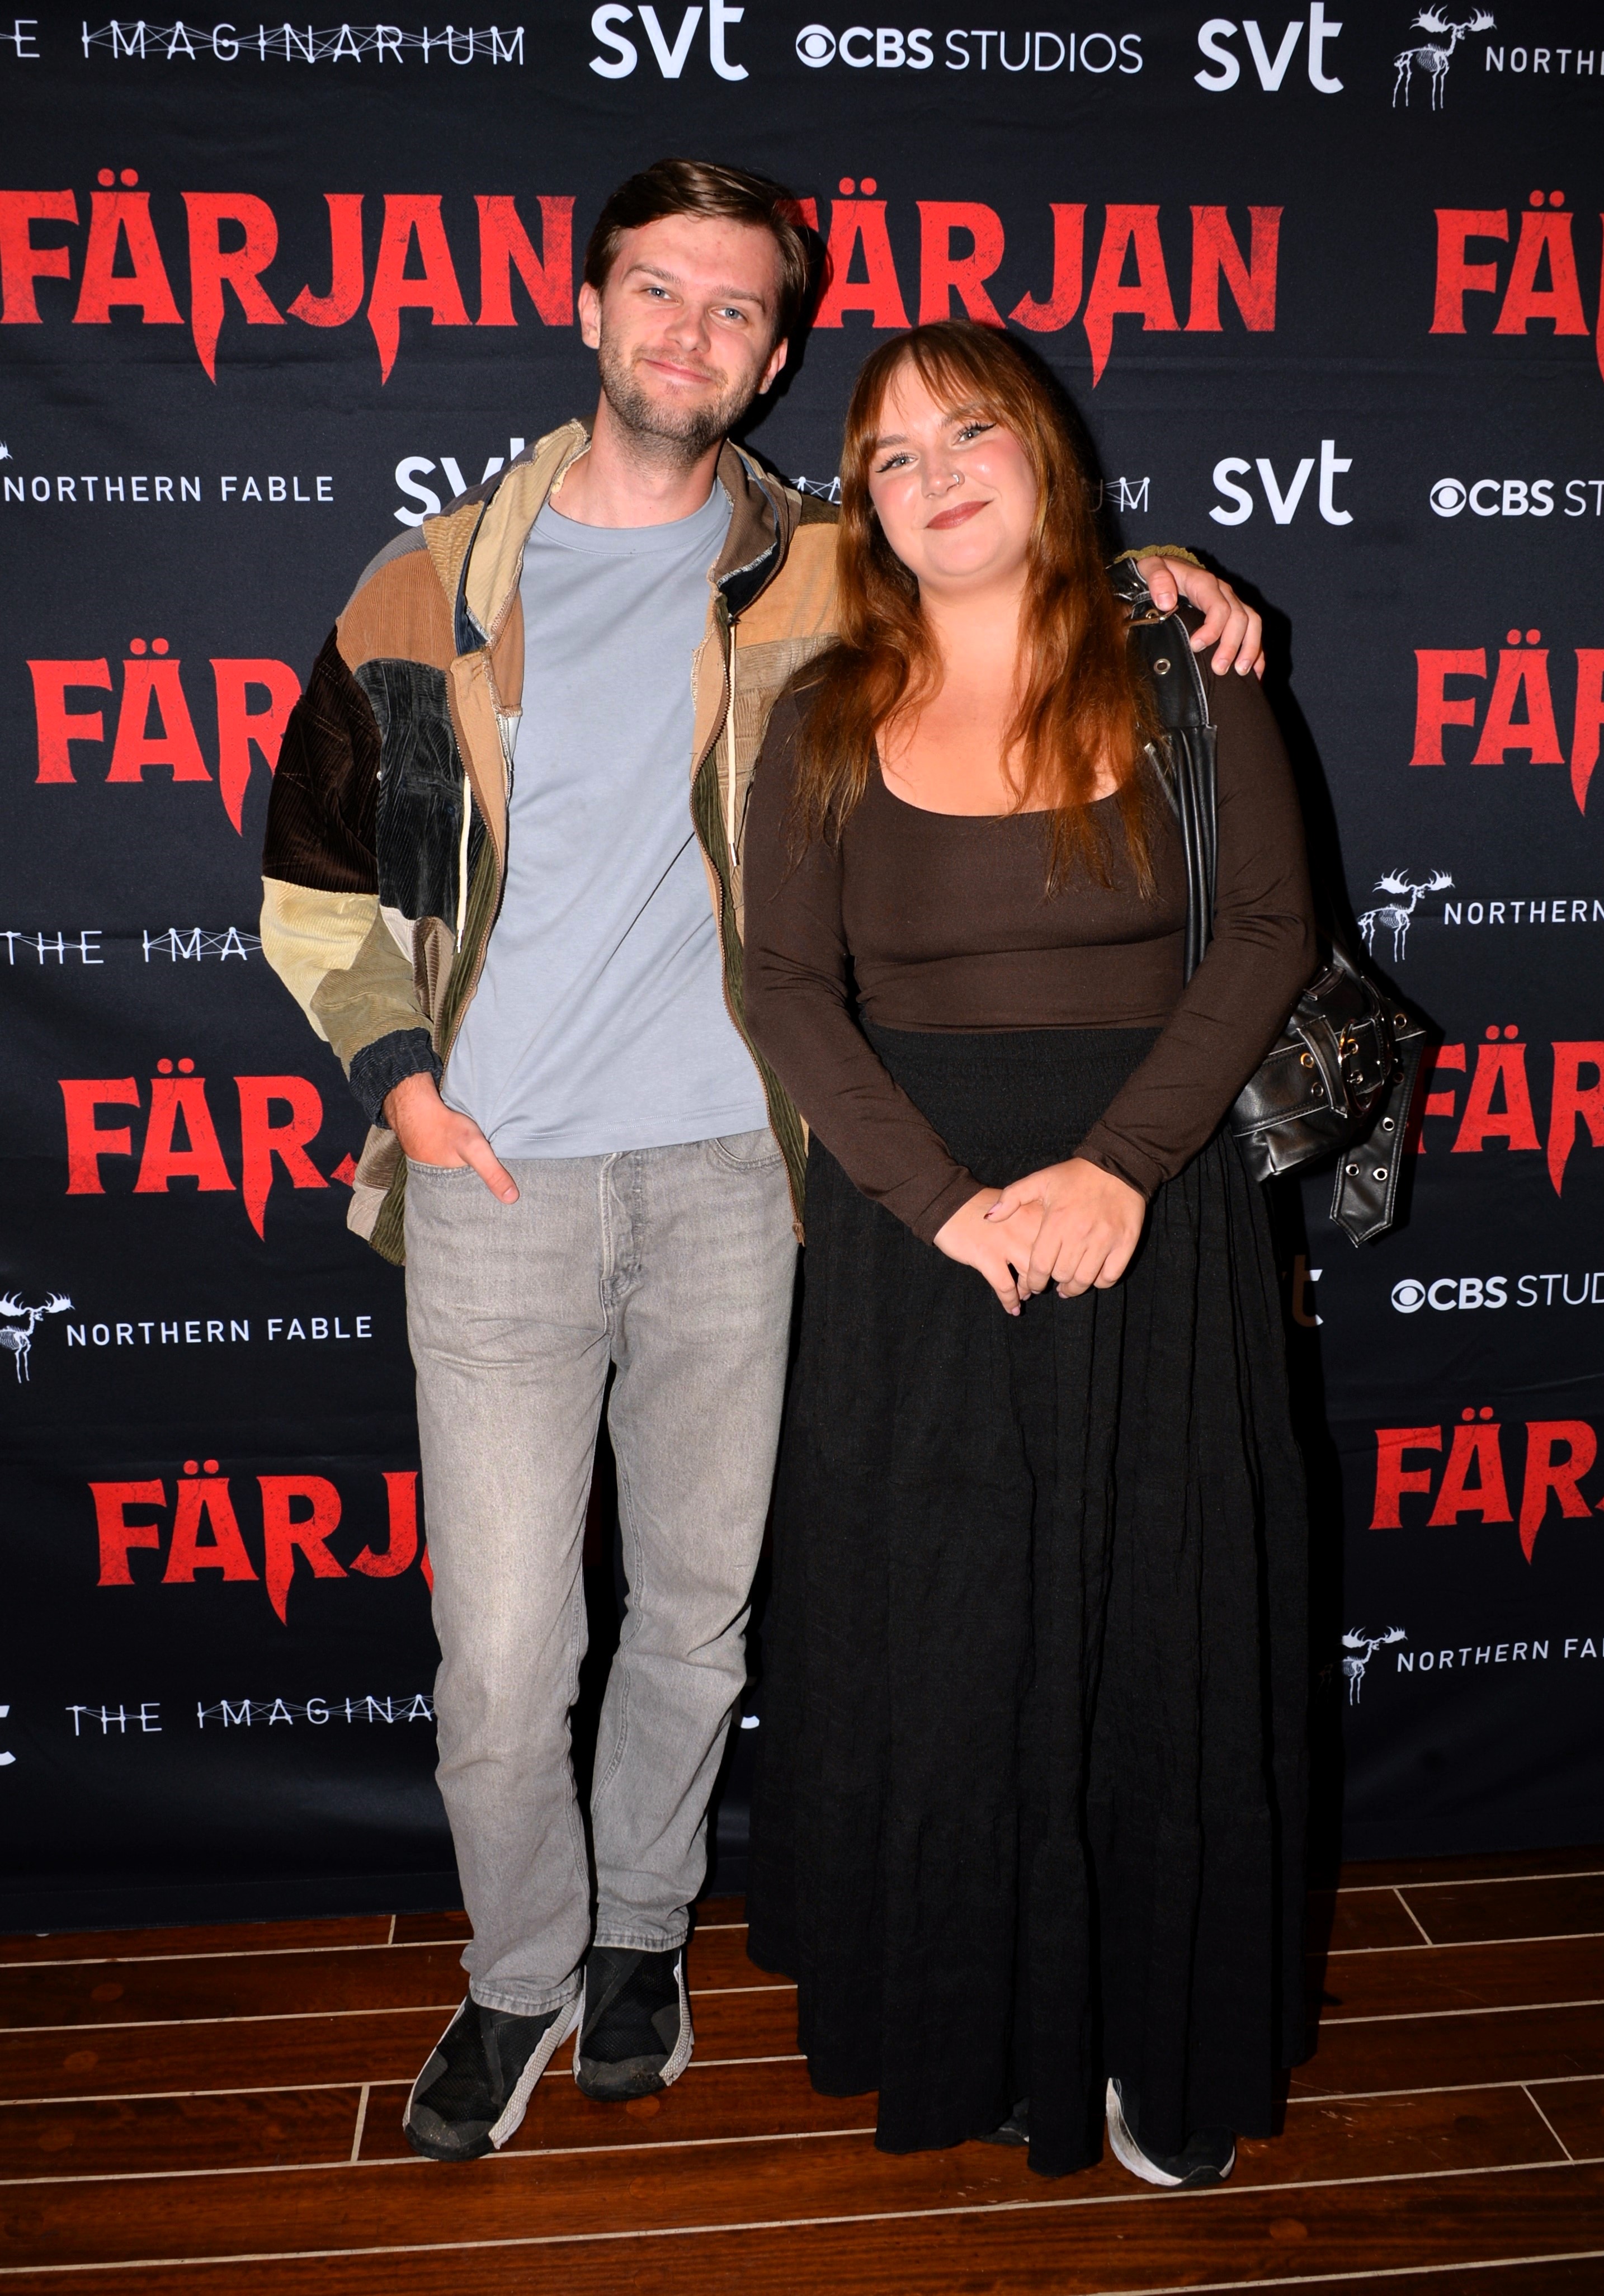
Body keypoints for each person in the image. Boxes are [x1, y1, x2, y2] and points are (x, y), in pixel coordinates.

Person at [260, 161, 1262, 2166]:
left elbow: (1006, 566)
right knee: (504, 1652)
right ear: (589, 308)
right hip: (496, 1182)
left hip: (745, 1176)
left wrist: (1162, 570)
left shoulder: (822, 566)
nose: (690, 334)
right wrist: (403, 1088)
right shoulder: (425, 586)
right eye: (658, 291)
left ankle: (640, 1936)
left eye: (735, 309)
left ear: (775, 352)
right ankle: (517, 1970)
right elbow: (312, 888)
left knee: (699, 1616)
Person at [741, 319, 1313, 2188]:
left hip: (1155, 1204)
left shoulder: (1180, 668)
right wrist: (939, 1200)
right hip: (920, 1240)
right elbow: (780, 980)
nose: (935, 477)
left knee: (1157, 1628)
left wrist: (1121, 1167)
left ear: (1043, 454)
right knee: (944, 1637)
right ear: (862, 505)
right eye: (891, 457)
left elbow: (1267, 930)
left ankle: (1158, 2032)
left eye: (969, 432)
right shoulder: (822, 708)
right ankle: (963, 2017)